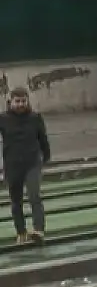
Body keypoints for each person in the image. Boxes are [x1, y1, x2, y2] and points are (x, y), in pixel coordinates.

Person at [0, 88, 50, 245]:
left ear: (27, 101)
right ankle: (21, 231)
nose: (21, 104)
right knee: (16, 200)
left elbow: (43, 138)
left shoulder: (35, 118)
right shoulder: (3, 118)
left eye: (23, 101)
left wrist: (46, 156)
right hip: (12, 165)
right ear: (11, 102)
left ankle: (39, 230)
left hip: (32, 163)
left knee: (34, 195)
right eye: (17, 101)